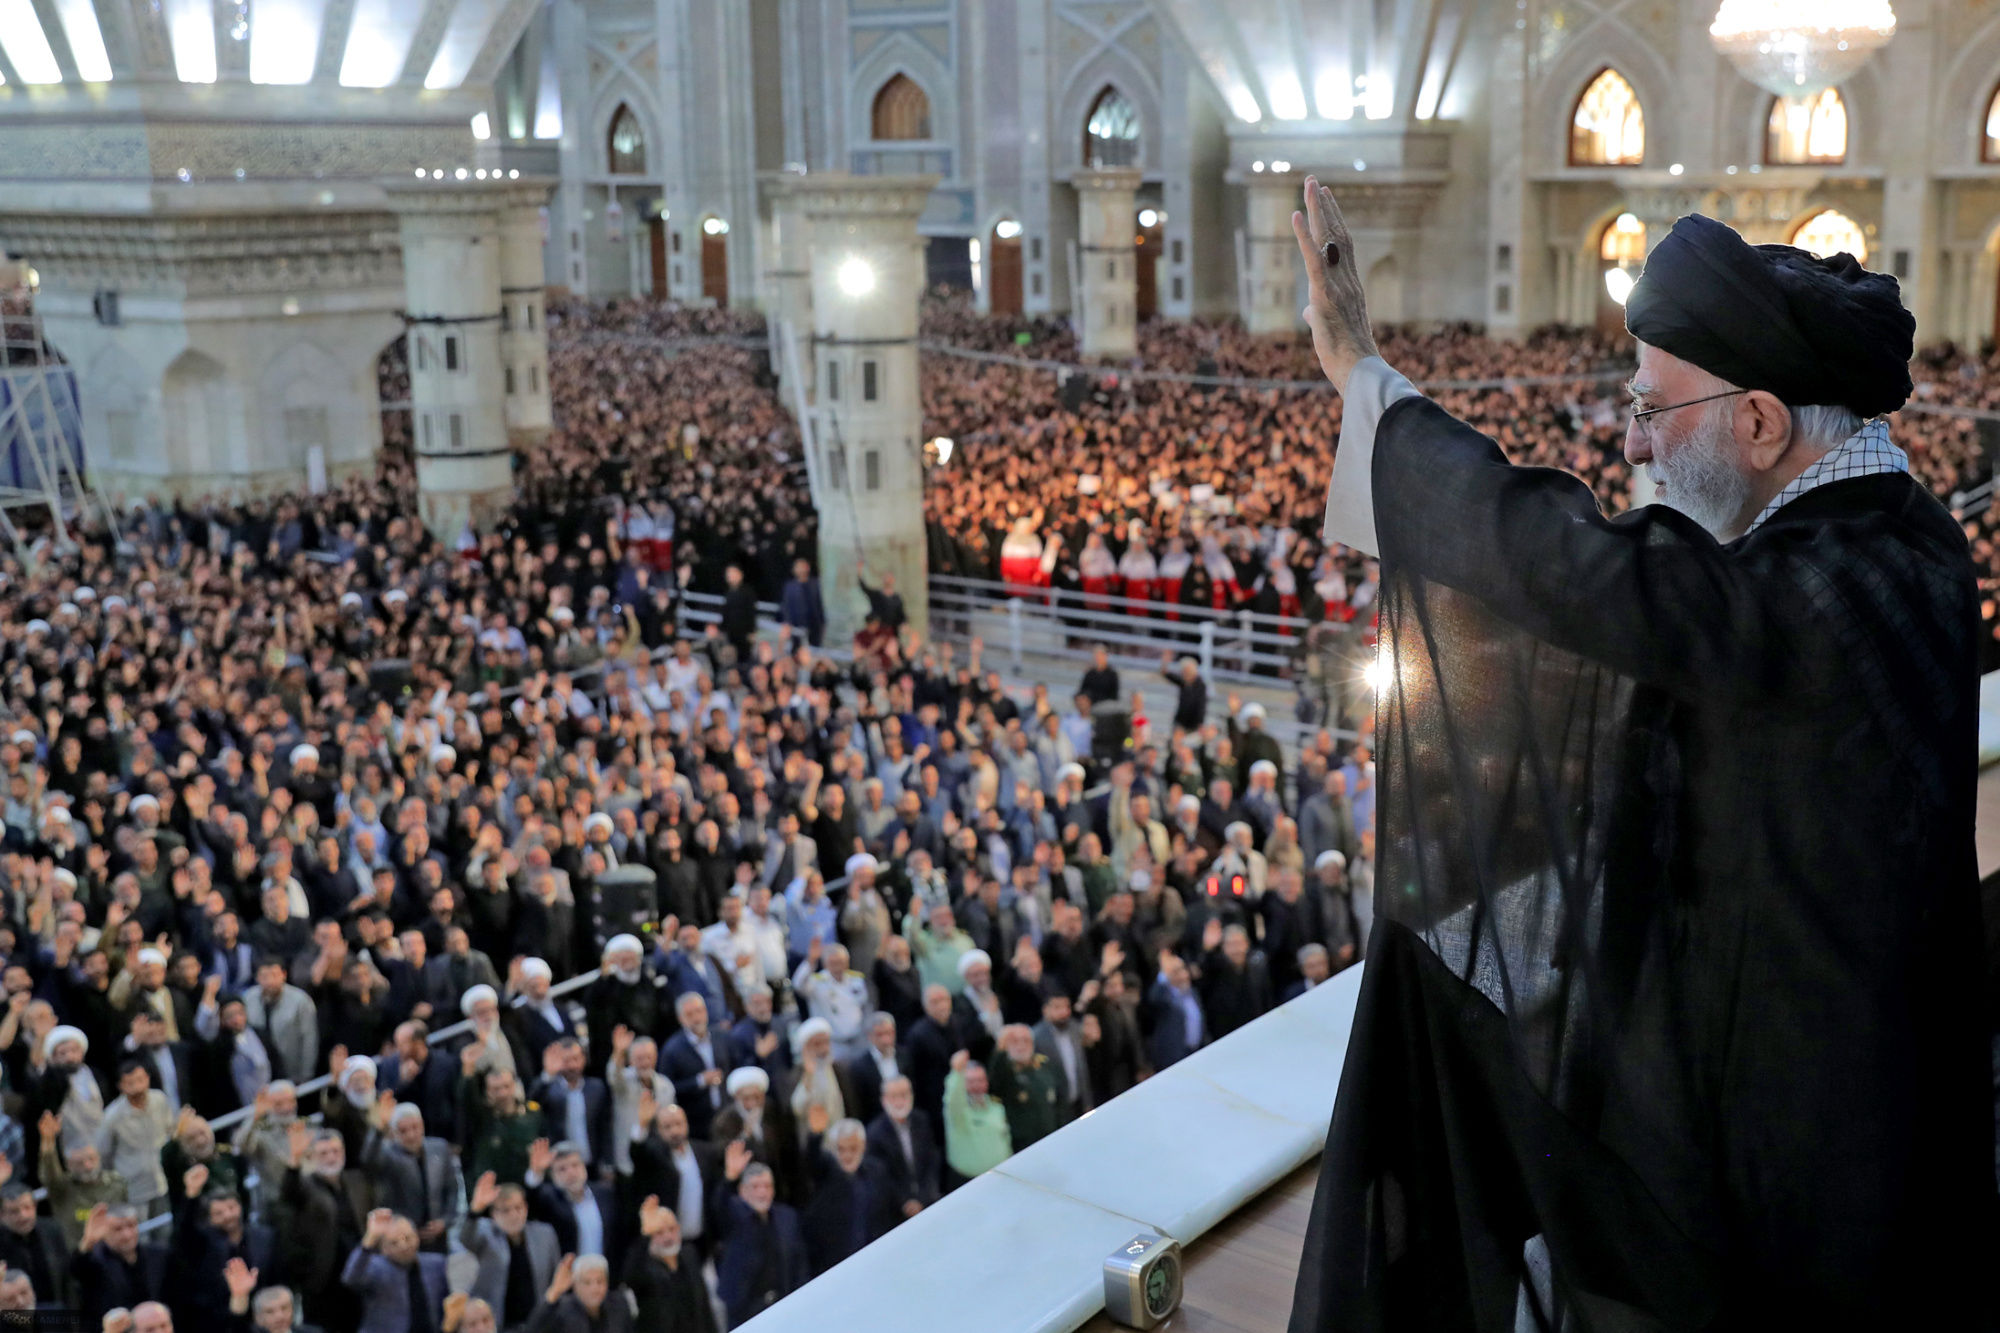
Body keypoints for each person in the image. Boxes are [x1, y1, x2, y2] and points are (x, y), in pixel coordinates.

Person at [1288, 179, 1996, 1329]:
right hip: (1891, 1099)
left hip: (1808, 1166)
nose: (1630, 438)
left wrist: (1364, 378)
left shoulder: (1787, 603)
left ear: (1759, 423)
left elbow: (1580, 569)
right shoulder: (1909, 535)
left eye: (1652, 405)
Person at [712, 1149, 808, 1328]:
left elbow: (799, 1258)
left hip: (782, 1301)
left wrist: (800, 1295)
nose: (762, 1192)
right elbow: (720, 1205)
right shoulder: (734, 1213)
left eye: (767, 1186)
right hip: (744, 1306)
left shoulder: (787, 1216)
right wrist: (729, 1178)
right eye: (755, 1186)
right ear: (742, 1191)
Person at [459, 1172, 562, 1333]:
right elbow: (466, 1238)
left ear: (526, 1208)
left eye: (518, 1207)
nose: (514, 1215)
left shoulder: (544, 1234)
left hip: (539, 1322)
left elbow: (556, 1277)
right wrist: (475, 1210)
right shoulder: (487, 1234)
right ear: (494, 1214)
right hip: (499, 1324)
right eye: (505, 1210)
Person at [799, 1116, 895, 1274]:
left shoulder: (877, 1171)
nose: (847, 1155)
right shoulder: (828, 1174)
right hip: (838, 1265)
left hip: (876, 1259)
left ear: (863, 1147)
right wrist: (815, 1136)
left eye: (853, 1148)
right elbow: (813, 1161)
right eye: (841, 1149)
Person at [341, 1209, 447, 1333]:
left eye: (408, 1238)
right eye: (394, 1242)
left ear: (417, 1237)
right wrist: (370, 1239)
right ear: (383, 1248)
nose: (404, 1246)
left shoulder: (436, 1264)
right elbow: (350, 1278)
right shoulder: (375, 1266)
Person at [622, 1196, 717, 1333]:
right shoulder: (644, 1266)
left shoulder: (689, 1255)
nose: (668, 1237)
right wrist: (645, 1235)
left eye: (672, 1229)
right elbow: (629, 1277)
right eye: (659, 1232)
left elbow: (704, 1305)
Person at [864, 1076, 939, 1219]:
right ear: (884, 1100)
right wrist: (905, 1202)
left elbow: (932, 1160)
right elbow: (881, 1177)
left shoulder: (921, 1120)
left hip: (927, 1200)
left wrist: (922, 1198)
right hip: (895, 1211)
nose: (899, 1102)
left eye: (904, 1095)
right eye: (894, 1096)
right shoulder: (875, 1133)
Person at [940, 1051, 1010, 1183]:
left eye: (980, 1080)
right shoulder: (957, 1113)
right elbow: (953, 1099)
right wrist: (957, 1072)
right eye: (971, 1082)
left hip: (1000, 1177)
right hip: (967, 1181)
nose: (976, 1086)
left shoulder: (996, 1107)